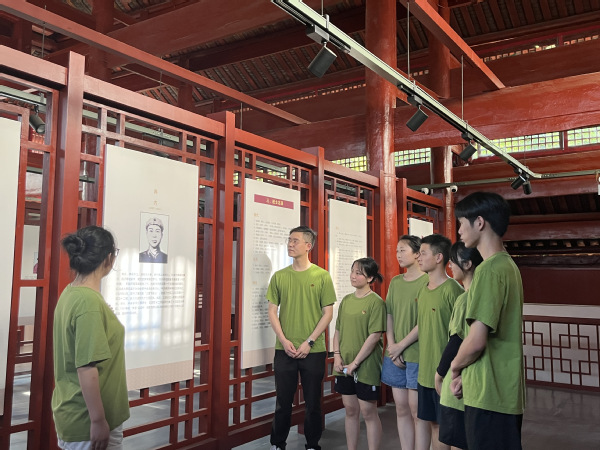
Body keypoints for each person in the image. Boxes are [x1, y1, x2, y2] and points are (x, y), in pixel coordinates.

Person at [450, 192, 525, 450]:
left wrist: (455, 368)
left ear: (480, 222)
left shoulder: (489, 270)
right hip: (504, 389)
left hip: (488, 393)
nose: (459, 231)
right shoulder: (507, 265)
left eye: (462, 223)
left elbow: (476, 341)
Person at [52, 226, 130, 450]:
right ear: (108, 258)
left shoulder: (71, 292)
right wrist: (98, 420)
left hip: (74, 409)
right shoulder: (88, 303)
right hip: (87, 420)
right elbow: (86, 368)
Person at [267, 226, 337, 450]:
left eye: (295, 240)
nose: (290, 244)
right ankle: (278, 444)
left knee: (313, 403)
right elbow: (272, 311)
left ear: (308, 246)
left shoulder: (322, 276)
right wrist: (283, 339)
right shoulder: (279, 276)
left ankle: (312, 444)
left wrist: (309, 342)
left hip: (313, 350)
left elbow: (328, 313)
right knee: (282, 402)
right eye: (289, 240)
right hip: (284, 349)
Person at [415, 234, 464, 450]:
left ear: (438, 257)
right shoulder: (423, 289)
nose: (418, 257)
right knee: (434, 424)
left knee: (451, 428)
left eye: (423, 253)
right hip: (426, 372)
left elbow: (461, 336)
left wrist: (453, 371)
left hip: (446, 373)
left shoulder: (453, 290)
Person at [381, 235, 430, 450]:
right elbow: (389, 314)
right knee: (400, 409)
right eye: (397, 251)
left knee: (417, 411)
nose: (398, 255)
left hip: (417, 353)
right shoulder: (395, 282)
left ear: (417, 253)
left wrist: (401, 346)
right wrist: (392, 345)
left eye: (403, 250)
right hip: (394, 353)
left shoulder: (427, 281)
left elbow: (425, 320)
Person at [332, 257, 386, 450]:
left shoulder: (376, 302)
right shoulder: (346, 300)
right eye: (352, 271)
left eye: (358, 273)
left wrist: (355, 363)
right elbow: (337, 331)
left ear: (370, 278)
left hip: (366, 365)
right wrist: (336, 356)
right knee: (350, 410)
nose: (353, 276)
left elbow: (374, 336)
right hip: (343, 364)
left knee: (368, 412)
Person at [435, 242, 483, 449]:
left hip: (457, 383)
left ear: (468, 264)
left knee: (456, 442)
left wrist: (440, 373)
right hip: (475, 382)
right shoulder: (483, 295)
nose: (450, 265)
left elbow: (456, 341)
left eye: (453, 261)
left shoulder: (465, 299)